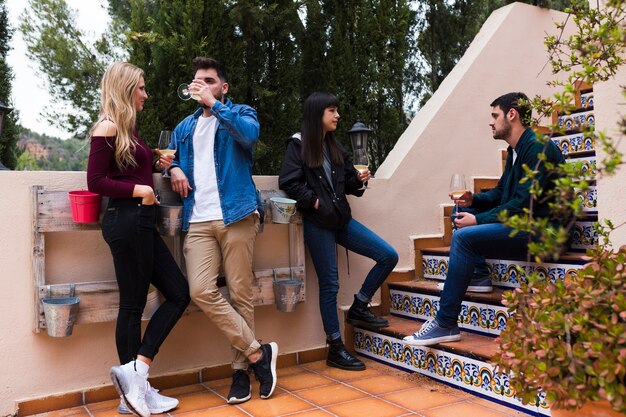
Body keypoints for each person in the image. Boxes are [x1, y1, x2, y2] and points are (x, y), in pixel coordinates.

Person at [403, 92, 566, 346]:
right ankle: (478, 275)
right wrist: (473, 201)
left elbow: (524, 205)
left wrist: (478, 221)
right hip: (524, 224)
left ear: (512, 114)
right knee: (460, 211)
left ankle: (445, 322)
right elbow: (502, 193)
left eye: (495, 115)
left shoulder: (537, 148)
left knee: (465, 237)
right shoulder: (516, 150)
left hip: (546, 232)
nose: (491, 122)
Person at [168, 57, 277, 405]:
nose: (201, 85)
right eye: (197, 81)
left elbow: (249, 138)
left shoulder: (242, 113)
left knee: (240, 294)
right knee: (200, 290)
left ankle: (239, 373)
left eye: (210, 81)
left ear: (223, 87)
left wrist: (215, 106)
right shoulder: (184, 127)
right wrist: (172, 168)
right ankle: (259, 354)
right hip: (198, 219)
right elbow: (171, 156)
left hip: (237, 215)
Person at [87, 62, 191, 417]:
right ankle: (132, 395)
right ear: (126, 87)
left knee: (178, 292)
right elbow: (96, 181)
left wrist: (162, 163)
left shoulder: (129, 130)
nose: (146, 94)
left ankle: (138, 377)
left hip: (141, 221)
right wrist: (141, 188)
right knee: (132, 306)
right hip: (126, 220)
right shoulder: (108, 126)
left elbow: (128, 167)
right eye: (142, 88)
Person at [278, 92, 399, 371]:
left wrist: (360, 180)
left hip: (341, 220)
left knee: (387, 255)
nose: (337, 116)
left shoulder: (333, 146)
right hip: (318, 223)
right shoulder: (298, 145)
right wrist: (315, 202)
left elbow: (348, 184)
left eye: (336, 110)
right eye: (332, 110)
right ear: (317, 113)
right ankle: (335, 347)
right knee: (330, 286)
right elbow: (289, 182)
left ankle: (359, 307)